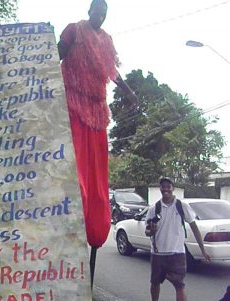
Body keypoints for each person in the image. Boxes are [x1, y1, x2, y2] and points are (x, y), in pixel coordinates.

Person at [58, 0, 138, 248]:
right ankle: (70, 215)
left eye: (105, 14)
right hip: (73, 103)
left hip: (97, 110)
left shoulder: (106, 40)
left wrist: (128, 91)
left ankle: (95, 226)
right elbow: (56, 55)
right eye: (98, 12)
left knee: (97, 172)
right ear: (89, 11)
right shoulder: (74, 30)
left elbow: (112, 71)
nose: (100, 17)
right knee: (76, 165)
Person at [145, 177, 211, 301]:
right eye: (163, 187)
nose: (166, 189)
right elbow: (147, 230)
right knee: (155, 283)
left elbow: (194, 227)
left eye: (168, 187)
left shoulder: (182, 206)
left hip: (177, 254)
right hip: (158, 253)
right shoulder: (154, 208)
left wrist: (203, 250)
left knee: (180, 285)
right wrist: (151, 231)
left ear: (173, 188)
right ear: (160, 189)